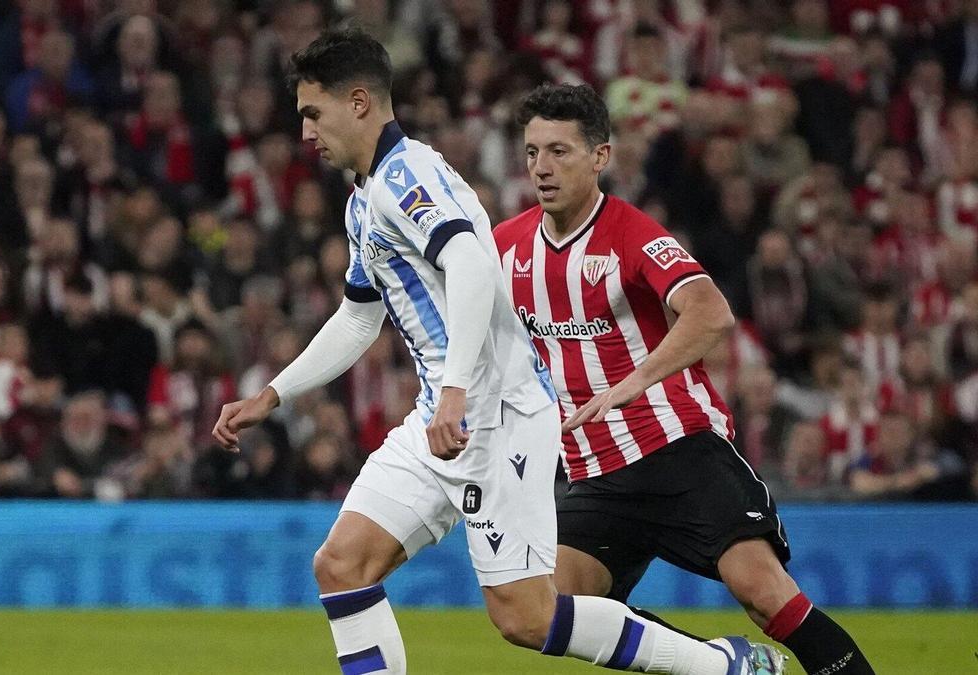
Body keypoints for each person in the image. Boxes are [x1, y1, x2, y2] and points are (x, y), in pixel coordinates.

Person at [214, 28, 759, 675]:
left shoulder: (406, 176)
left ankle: (723, 665)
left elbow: (472, 262)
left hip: (494, 412)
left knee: (526, 616)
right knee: (341, 563)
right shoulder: (366, 198)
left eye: (313, 112)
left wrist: (456, 391)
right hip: (442, 414)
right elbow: (359, 319)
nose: (306, 132)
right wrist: (273, 393)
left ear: (358, 102)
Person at [494, 82, 874, 675]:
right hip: (595, 473)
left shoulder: (632, 233)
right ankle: (724, 665)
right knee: (553, 612)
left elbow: (710, 310)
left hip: (678, 447)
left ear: (600, 156)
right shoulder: (507, 247)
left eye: (560, 151)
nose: (542, 167)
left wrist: (633, 381)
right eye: (532, 152)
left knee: (762, 592)